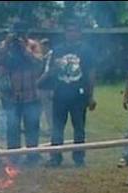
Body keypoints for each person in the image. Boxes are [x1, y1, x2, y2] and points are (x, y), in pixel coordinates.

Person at [42, 20, 96, 167]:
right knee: (57, 127)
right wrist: (51, 88)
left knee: (79, 127)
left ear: (79, 33)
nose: (71, 33)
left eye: (74, 30)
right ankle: (55, 157)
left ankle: (79, 157)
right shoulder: (57, 50)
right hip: (60, 94)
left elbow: (91, 73)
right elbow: (51, 72)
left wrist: (91, 95)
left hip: (79, 95)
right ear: (65, 33)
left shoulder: (87, 50)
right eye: (68, 30)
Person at [0, 23, 44, 165]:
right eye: (16, 32)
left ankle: (32, 156)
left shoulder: (33, 45)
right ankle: (13, 156)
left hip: (31, 93)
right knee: (12, 127)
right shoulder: (5, 45)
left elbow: (39, 62)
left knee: (32, 127)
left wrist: (25, 49)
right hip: (11, 94)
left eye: (21, 32)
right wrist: (8, 44)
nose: (19, 35)